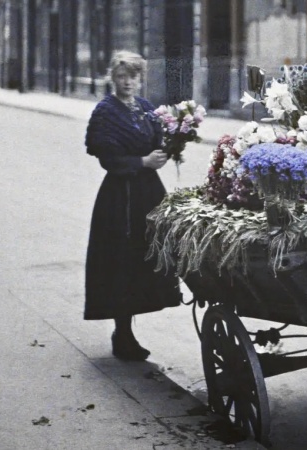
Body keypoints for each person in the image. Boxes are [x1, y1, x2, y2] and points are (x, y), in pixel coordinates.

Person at [84, 50, 182, 361]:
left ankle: (129, 328)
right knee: (122, 261)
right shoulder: (105, 112)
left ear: (140, 79)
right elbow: (107, 159)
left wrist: (168, 150)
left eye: (134, 76)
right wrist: (142, 161)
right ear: (113, 78)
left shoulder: (145, 108)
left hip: (148, 192)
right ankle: (122, 332)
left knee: (147, 254)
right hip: (120, 198)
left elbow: (158, 142)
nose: (128, 82)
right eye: (122, 76)